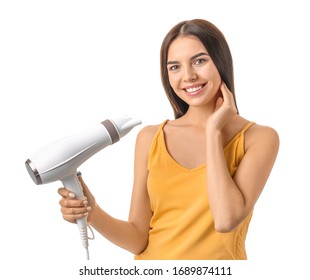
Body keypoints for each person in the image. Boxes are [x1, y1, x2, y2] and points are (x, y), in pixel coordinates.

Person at [58, 19, 279, 260]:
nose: (188, 76)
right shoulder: (150, 138)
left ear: (221, 61)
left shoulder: (258, 138)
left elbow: (226, 220)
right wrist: (93, 213)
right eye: (175, 67)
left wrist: (214, 131)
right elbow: (138, 238)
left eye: (199, 61)